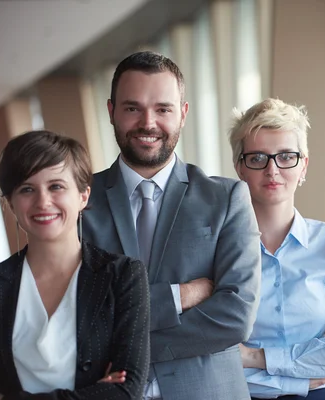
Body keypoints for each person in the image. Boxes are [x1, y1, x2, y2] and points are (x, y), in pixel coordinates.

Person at [81, 51, 261, 400]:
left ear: (183, 113)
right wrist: (182, 296)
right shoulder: (79, 202)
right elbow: (82, 316)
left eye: (162, 109)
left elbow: (236, 316)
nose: (148, 123)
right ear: (111, 111)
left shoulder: (226, 199)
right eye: (132, 108)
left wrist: (128, 347)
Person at [229, 98, 325, 399]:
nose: (272, 170)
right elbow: (216, 360)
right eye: (258, 158)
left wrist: (254, 357)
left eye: (285, 157)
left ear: (303, 165)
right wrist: (307, 366)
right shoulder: (220, 253)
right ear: (240, 167)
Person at [0, 130, 150, 399]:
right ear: (10, 203)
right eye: (27, 189)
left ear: (83, 196)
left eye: (56, 186)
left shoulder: (123, 276)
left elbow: (127, 391)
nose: (43, 202)